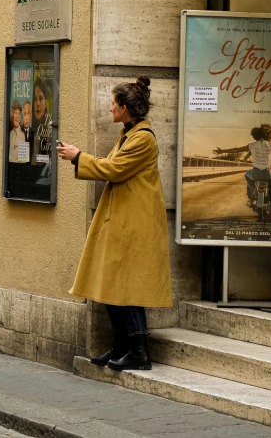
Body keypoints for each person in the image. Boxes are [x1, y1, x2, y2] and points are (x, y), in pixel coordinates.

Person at [58, 76, 172, 372]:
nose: (109, 108)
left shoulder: (143, 138)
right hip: (123, 220)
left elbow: (114, 169)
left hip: (135, 223)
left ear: (124, 108)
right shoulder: (129, 133)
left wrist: (78, 157)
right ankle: (122, 345)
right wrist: (79, 157)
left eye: (113, 104)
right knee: (109, 281)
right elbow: (113, 167)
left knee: (129, 285)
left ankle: (139, 351)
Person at [32, 78, 51, 165]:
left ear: (46, 103)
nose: (38, 104)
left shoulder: (50, 130)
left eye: (41, 99)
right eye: (35, 99)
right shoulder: (29, 128)